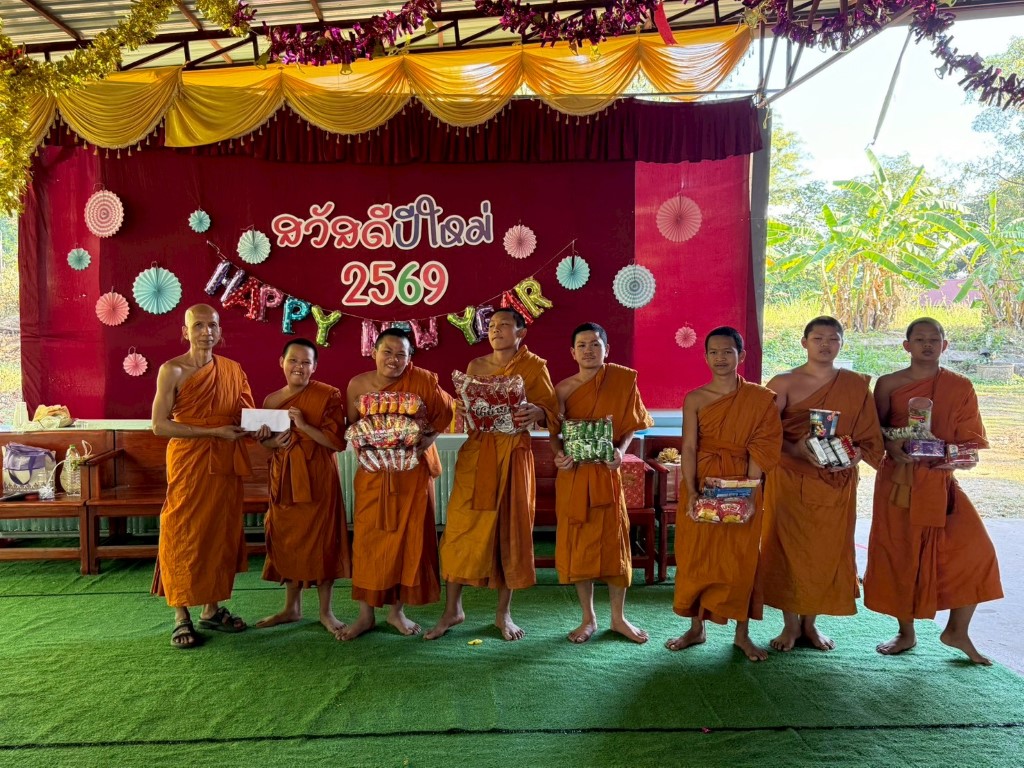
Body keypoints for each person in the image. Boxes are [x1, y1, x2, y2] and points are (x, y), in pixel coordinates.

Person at [864, 317, 1003, 665]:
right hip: (900, 482)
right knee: (902, 554)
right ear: (906, 345)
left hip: (941, 482)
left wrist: (959, 458)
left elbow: (969, 440)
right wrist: (890, 446)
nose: (927, 345)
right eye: (920, 339)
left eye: (934, 339)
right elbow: (872, 431)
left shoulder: (959, 386)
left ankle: (957, 630)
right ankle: (906, 632)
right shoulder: (888, 384)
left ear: (945, 345)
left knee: (976, 551)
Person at [426, 308, 559, 641]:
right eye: (492, 325)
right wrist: (466, 409)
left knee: (509, 530)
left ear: (521, 332)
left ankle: (503, 613)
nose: (496, 330)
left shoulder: (535, 367)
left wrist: (538, 411)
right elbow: (467, 409)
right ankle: (452, 610)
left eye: (505, 325)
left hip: (513, 454)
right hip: (478, 453)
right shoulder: (476, 366)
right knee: (460, 530)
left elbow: (552, 412)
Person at [761, 317, 884, 651]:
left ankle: (810, 625)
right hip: (790, 479)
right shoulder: (783, 382)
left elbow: (869, 438)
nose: (825, 344)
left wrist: (851, 457)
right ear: (804, 342)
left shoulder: (855, 385)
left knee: (825, 553)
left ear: (841, 344)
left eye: (833, 339)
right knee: (787, 550)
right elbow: (764, 433)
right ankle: (790, 626)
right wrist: (796, 449)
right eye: (818, 338)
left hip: (835, 482)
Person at [665, 326, 782, 662]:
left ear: (740, 356)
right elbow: (689, 447)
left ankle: (742, 635)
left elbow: (762, 446)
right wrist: (690, 491)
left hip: (743, 481)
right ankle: (696, 628)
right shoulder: (695, 398)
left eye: (727, 352)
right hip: (703, 481)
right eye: (714, 352)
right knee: (696, 556)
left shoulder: (759, 399)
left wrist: (747, 492)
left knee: (741, 559)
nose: (720, 358)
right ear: (705, 357)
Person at [151, 304, 254, 649]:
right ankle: (181, 615)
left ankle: (211, 609)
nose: (206, 332)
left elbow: (245, 415)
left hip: (224, 463)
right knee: (180, 529)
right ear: (186, 331)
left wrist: (266, 429)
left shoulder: (232, 370)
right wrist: (212, 433)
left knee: (217, 532)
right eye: (198, 325)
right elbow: (159, 425)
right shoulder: (172, 370)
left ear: (219, 331)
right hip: (189, 461)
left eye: (212, 325)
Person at [341, 328, 454, 640]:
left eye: (401, 354)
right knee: (367, 542)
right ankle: (365, 615)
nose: (393, 359)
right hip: (374, 475)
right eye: (387, 352)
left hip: (411, 475)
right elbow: (351, 425)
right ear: (374, 352)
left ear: (410, 358)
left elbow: (447, 412)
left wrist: (427, 440)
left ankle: (396, 612)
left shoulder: (423, 381)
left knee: (409, 542)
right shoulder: (357, 385)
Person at [550, 323, 653, 644]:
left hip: (607, 475)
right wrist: (558, 455)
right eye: (582, 345)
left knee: (615, 544)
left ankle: (618, 618)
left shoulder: (622, 380)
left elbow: (632, 424)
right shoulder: (563, 389)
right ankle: (588, 618)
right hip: (575, 476)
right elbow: (554, 433)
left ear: (607, 349)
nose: (589, 350)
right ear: (572, 352)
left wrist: (620, 452)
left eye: (595, 344)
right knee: (579, 546)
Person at [254, 338, 351, 638]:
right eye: (293, 360)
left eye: (306, 362)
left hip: (318, 477)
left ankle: (326, 612)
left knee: (322, 541)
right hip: (284, 478)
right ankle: (291, 608)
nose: (299, 366)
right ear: (281, 362)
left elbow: (337, 443)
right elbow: (265, 444)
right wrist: (271, 441)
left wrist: (305, 426)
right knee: (287, 539)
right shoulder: (271, 400)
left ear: (315, 366)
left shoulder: (328, 395)